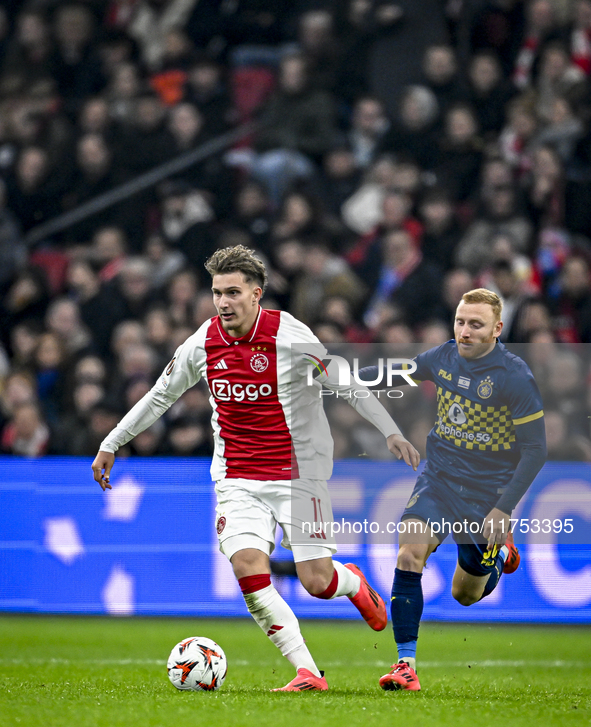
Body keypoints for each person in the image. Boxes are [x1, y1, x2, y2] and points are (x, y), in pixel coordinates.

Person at [92, 245, 419, 691]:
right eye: (216, 293)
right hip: (237, 479)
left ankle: (354, 583)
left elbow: (342, 379)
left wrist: (390, 430)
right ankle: (308, 671)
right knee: (248, 566)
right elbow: (159, 396)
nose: (223, 302)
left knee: (317, 582)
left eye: (232, 292)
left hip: (298, 474)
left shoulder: (288, 335)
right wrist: (113, 442)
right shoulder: (202, 343)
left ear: (256, 294)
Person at [365, 288, 546, 692]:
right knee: (409, 553)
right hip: (439, 479)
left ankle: (500, 555)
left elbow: (536, 450)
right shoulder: (442, 357)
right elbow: (392, 375)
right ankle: (405, 665)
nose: (464, 331)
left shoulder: (514, 376)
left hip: (485, 496)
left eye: (476, 325)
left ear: (497, 329)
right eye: (460, 322)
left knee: (465, 593)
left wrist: (503, 509)